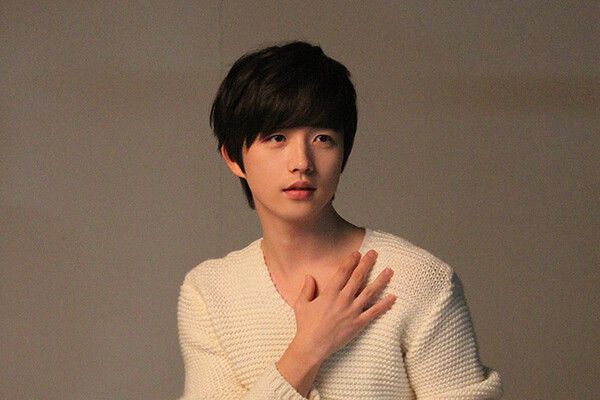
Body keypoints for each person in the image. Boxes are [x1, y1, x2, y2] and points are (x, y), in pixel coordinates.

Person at [177, 40, 503, 400]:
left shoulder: (419, 280)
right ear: (233, 158)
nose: (302, 162)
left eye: (323, 138)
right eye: (277, 137)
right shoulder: (210, 292)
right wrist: (309, 348)